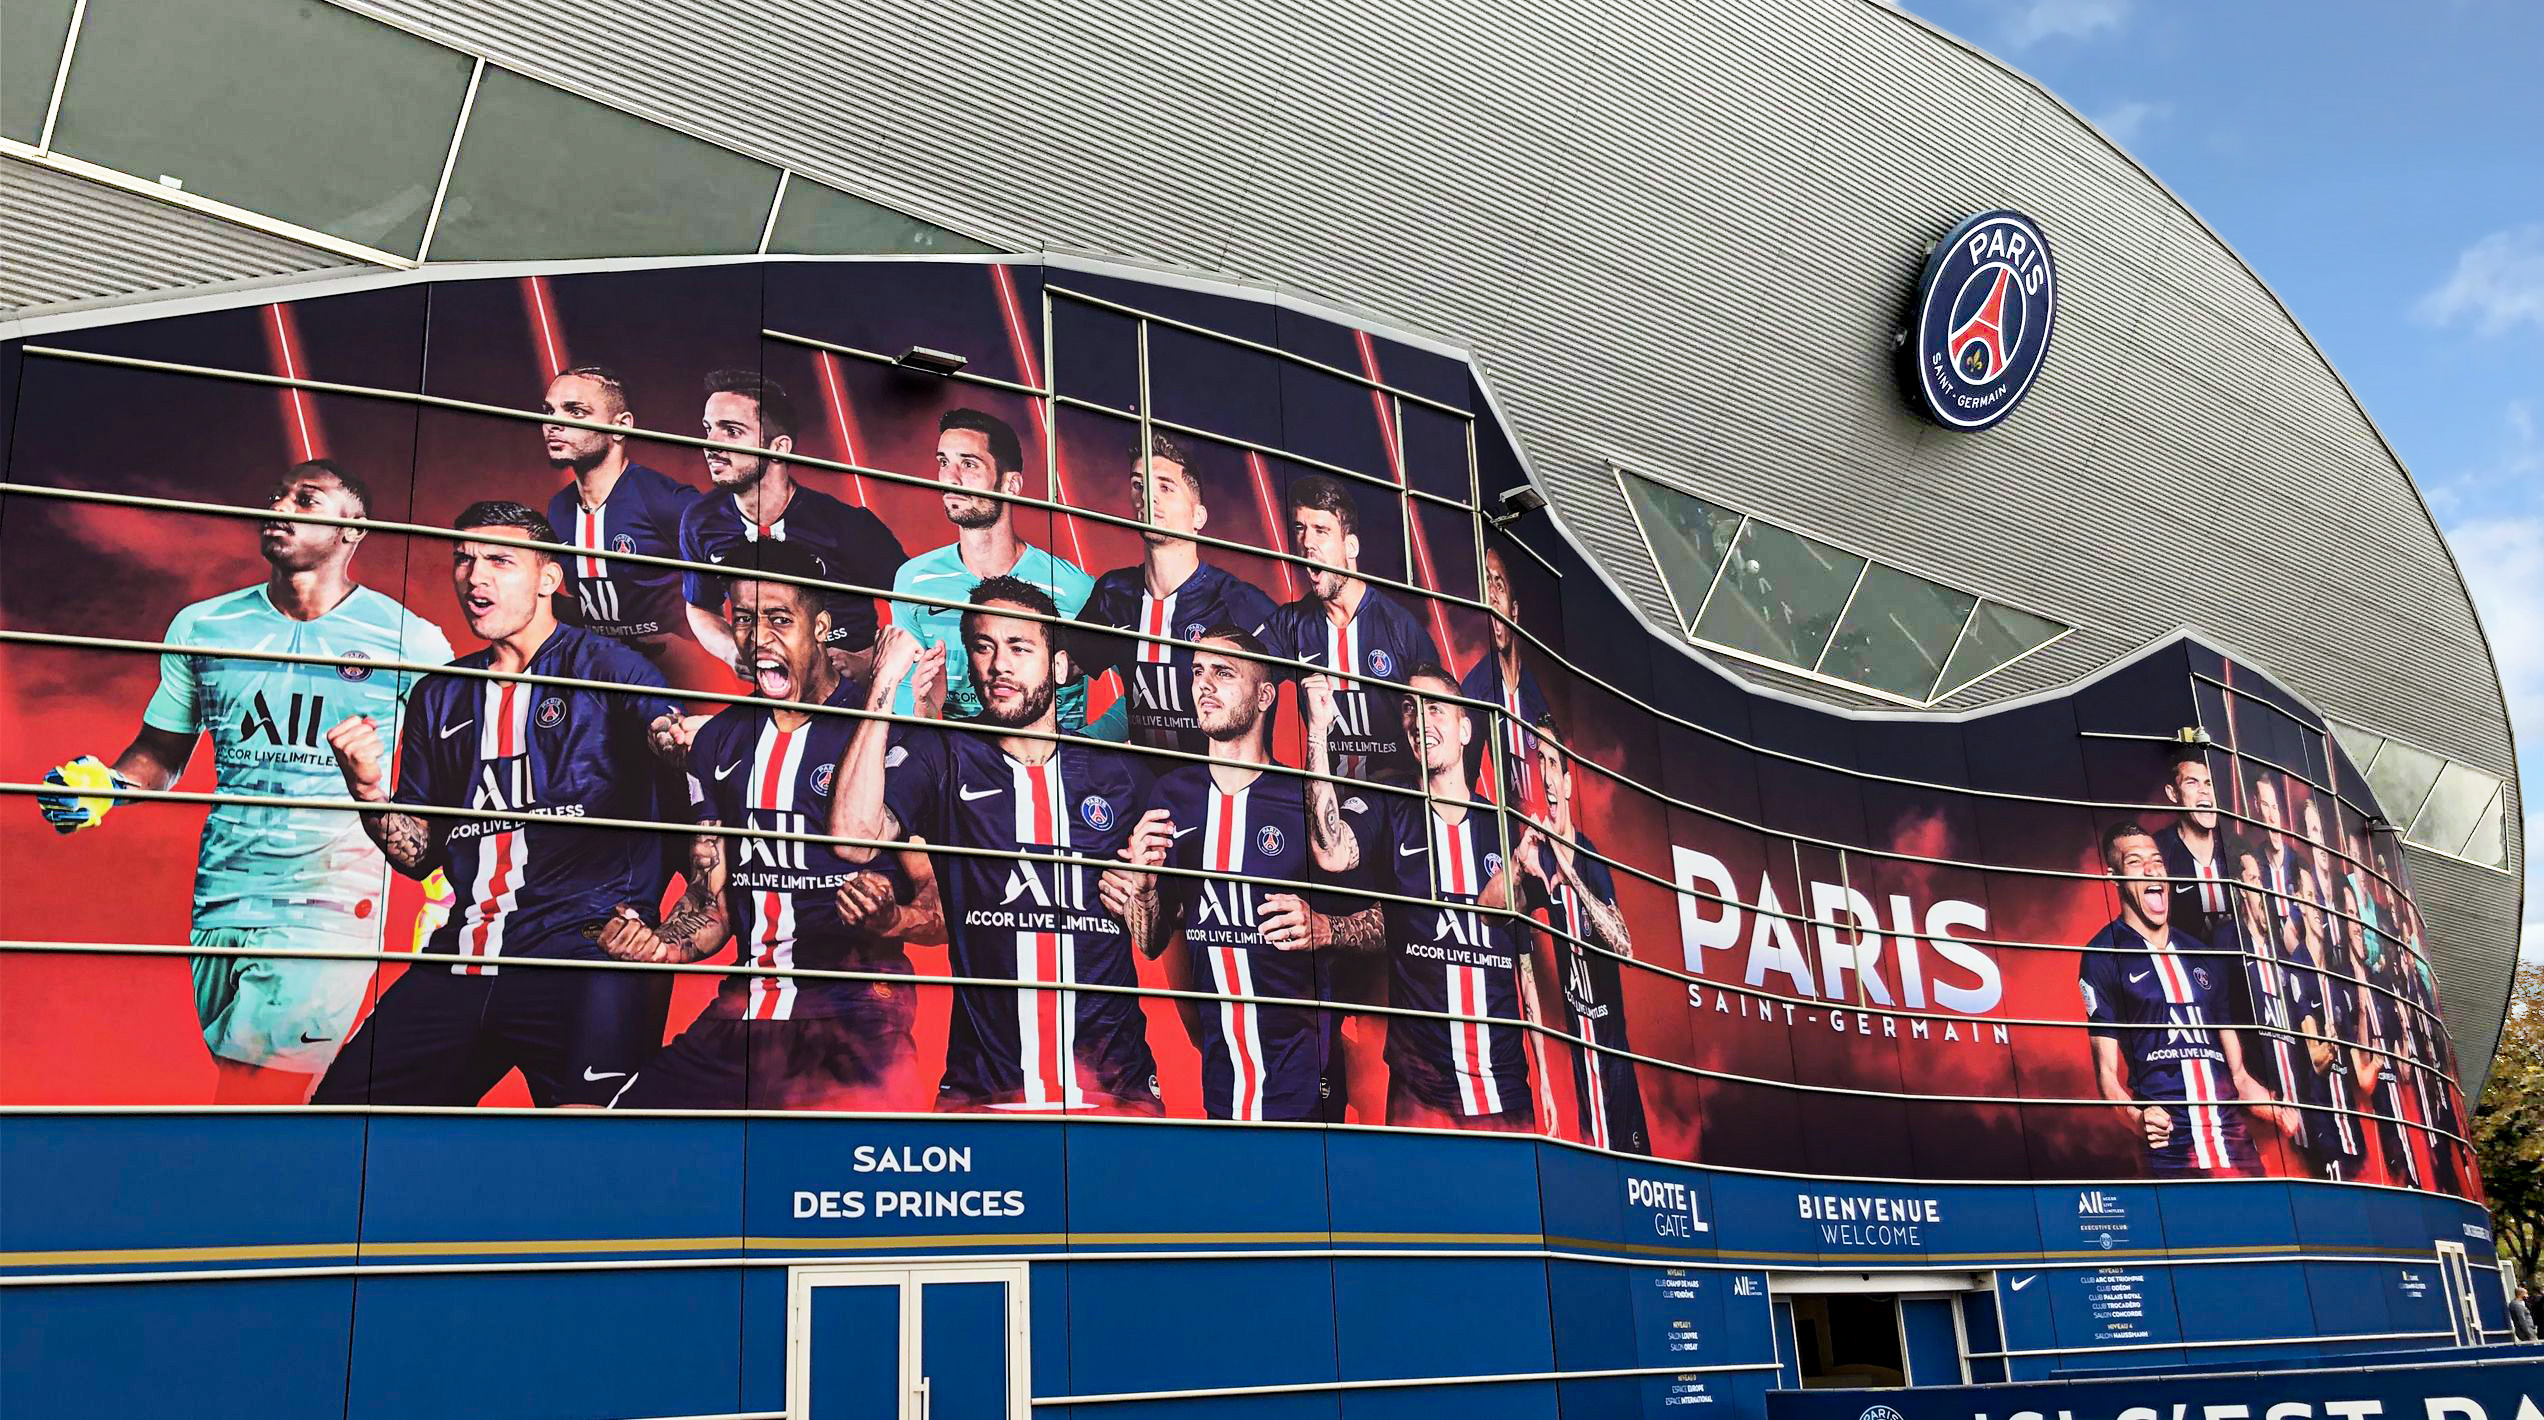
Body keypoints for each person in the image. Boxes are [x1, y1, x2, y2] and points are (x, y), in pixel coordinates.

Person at [35, 461, 452, 1104]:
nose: (281, 506)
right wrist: (106, 785)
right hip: (223, 897)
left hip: (332, 902)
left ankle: (227, 1198)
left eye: (306, 500)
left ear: (353, 529)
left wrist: (442, 881)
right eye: (276, 495)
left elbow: (456, 774)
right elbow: (161, 751)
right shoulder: (205, 626)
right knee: (258, 1086)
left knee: (254, 1092)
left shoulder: (411, 641)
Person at [309, 501, 685, 1107]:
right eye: (464, 560)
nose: (474, 576)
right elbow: (418, 855)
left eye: (499, 561)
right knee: (340, 1123)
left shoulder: (611, 669)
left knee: (591, 1157)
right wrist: (369, 793)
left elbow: (669, 740)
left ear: (548, 578)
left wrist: (676, 738)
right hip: (463, 960)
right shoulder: (442, 694)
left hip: (585, 963)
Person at [599, 542, 943, 1110]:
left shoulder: (887, 737)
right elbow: (711, 908)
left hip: (854, 1021)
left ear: (822, 628)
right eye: (745, 619)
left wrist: (891, 918)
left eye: (780, 619)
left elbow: (940, 914)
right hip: (742, 1016)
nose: (759, 638)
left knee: (835, 1180)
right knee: (616, 1140)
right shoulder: (717, 742)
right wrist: (656, 945)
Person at [830, 577, 1159, 1111]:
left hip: (1116, 1091)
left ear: (1057, 667)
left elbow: (1154, 937)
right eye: (983, 646)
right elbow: (853, 837)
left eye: (1019, 647)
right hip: (982, 1090)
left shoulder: (1119, 775)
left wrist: (1145, 896)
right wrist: (885, 684)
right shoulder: (946, 757)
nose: (998, 664)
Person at [1114, 625, 1377, 1121]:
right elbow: (1150, 942)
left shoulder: (1304, 800)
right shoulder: (1171, 795)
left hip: (1306, 1081)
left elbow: (1391, 920)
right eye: (1196, 672)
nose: (1204, 684)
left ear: (1263, 697)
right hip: (1219, 1083)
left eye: (1223, 672)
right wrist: (1144, 890)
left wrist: (1327, 929)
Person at [1325, 662, 1537, 1130]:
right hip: (1420, 1091)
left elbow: (1525, 962)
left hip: (1503, 1091)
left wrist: (1543, 1078)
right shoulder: (1391, 806)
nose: (1417, 720)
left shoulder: (1503, 829)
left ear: (1464, 728)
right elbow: (1333, 854)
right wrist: (1320, 739)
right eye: (1409, 710)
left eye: (1433, 708)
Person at [2078, 821, 2284, 1177]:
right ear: (2114, 877)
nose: (2151, 869)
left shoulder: (2203, 956)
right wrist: (2137, 1117)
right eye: (2135, 862)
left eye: (2157, 861)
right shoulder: (2102, 955)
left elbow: (2239, 1076)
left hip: (2236, 1148)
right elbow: (2107, 1078)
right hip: (2171, 1155)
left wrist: (2282, 1110)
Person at [677, 370, 905, 684]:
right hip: (777, 701)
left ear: (778, 447)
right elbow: (700, 606)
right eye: (708, 429)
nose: (710, 444)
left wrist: (868, 663)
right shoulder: (701, 520)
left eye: (731, 431)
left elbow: (920, 610)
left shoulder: (849, 525)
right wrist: (732, 650)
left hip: (853, 699)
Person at [886, 408, 1100, 731]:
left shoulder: (1075, 590)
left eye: (968, 464)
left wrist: (1090, 748)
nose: (949, 478)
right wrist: (926, 713)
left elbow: (1136, 681)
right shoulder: (913, 582)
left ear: (1011, 484)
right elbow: (904, 702)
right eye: (944, 462)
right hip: (960, 771)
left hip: (1054, 775)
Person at [1075, 433, 1278, 755]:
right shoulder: (1114, 593)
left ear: (1198, 516)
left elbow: (1310, 680)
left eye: (1165, 487)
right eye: (1139, 485)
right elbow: (1059, 667)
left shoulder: (1240, 603)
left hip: (1221, 789)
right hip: (1149, 790)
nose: (1148, 497)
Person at [1519, 711, 1649, 1154]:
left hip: (1614, 1064)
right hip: (1580, 1065)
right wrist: (1520, 871)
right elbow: (1493, 917)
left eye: (1553, 765)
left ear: (1570, 784)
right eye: (1539, 764)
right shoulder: (1538, 859)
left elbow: (1624, 945)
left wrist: (1568, 868)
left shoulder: (1589, 858)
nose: (1547, 779)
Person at [1262, 473, 1440, 786]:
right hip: (1325, 802)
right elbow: (1245, 681)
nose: (1307, 543)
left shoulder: (1401, 629)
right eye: (1300, 529)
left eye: (1321, 531)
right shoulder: (1288, 625)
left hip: (1395, 809)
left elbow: (1443, 720)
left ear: (1351, 546)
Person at [539, 366, 699, 655]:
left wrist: (697, 651)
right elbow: (589, 602)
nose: (554, 424)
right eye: (549, 412)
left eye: (575, 412)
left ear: (621, 426)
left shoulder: (666, 500)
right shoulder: (559, 508)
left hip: (676, 679)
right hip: (604, 674)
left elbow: (737, 584)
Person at [2220, 836, 2311, 1168]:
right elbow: (2224, 1033)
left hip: (2303, 1113)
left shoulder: (2277, 944)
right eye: (2255, 881)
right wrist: (2269, 1108)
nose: (2263, 891)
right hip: (2263, 1122)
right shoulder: (2228, 944)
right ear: (2241, 889)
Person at [2287, 866, 2370, 1182]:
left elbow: (2358, 1069)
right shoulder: (2298, 971)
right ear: (2298, 903)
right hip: (2325, 1134)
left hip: (2353, 1132)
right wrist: (2330, 1043)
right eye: (2310, 897)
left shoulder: (2338, 979)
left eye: (2320, 897)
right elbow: (2317, 1060)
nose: (2318, 906)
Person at [1459, 545, 1552, 811]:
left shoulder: (1536, 696)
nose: (1491, 596)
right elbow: (1463, 786)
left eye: (1498, 585)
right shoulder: (1476, 689)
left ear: (1514, 609)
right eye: (1486, 584)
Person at [2154, 747, 2232, 944]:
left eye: (2208, 783)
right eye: (2192, 783)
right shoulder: (2158, 851)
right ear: (2173, 794)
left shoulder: (2235, 849)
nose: (2204, 791)